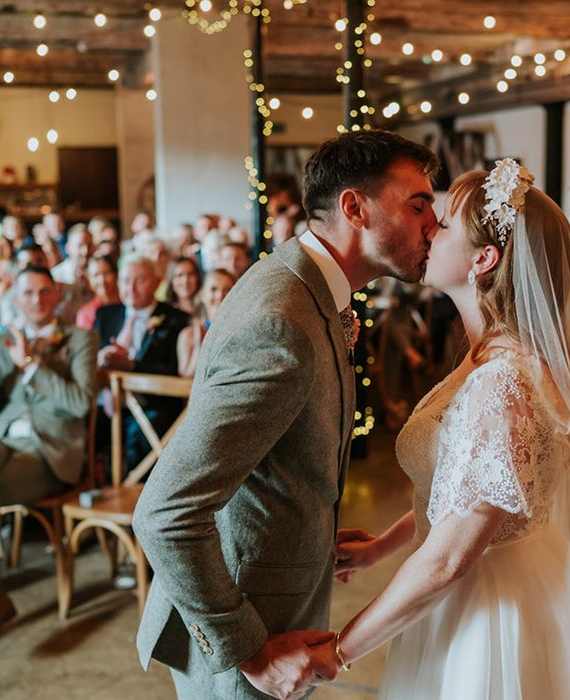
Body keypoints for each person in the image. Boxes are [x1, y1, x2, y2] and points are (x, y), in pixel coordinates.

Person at [132, 129, 441, 699]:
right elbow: (165, 511)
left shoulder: (308, 288)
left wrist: (310, 524)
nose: (434, 225)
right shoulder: (283, 322)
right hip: (247, 637)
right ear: (355, 207)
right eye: (418, 204)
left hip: (279, 595)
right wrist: (247, 648)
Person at [328, 160, 570, 698]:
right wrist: (383, 546)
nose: (429, 227)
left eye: (445, 223)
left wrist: (335, 653)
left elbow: (452, 557)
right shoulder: (489, 359)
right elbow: (472, 488)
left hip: (490, 606)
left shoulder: (504, 384)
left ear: (484, 258)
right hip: (494, 579)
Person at [0, 266, 97, 628]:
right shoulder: (4, 339)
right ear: (16, 299)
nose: (36, 300)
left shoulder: (80, 339)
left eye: (44, 292)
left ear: (57, 295)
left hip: (50, 450)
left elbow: (82, 402)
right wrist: (7, 357)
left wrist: (34, 366)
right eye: (28, 293)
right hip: (4, 436)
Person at [95, 255, 189, 472]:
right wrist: (100, 360)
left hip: (151, 403)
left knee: (144, 428)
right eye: (125, 281)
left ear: (157, 283)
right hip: (108, 401)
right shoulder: (106, 314)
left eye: (140, 280)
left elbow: (175, 371)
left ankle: (137, 490)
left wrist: (131, 365)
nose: (131, 288)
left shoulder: (175, 319)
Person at [176, 268, 236, 377]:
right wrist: (199, 347)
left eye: (227, 290)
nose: (220, 296)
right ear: (202, 295)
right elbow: (185, 378)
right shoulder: (189, 335)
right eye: (213, 289)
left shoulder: (240, 333)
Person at [75, 254, 120, 331]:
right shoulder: (85, 313)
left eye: (107, 273)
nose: (102, 280)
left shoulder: (129, 302)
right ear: (89, 280)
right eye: (96, 275)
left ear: (115, 274)